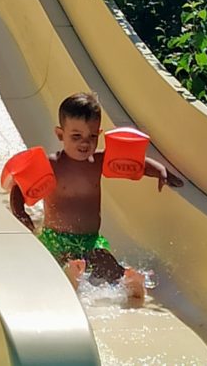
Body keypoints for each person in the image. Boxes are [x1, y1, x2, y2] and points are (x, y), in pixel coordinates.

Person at [10, 92, 184, 298]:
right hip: (57, 238)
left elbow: (136, 162)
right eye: (76, 136)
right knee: (61, 261)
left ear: (99, 134)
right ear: (60, 134)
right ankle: (69, 274)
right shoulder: (52, 165)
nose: (85, 143)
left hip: (90, 240)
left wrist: (160, 171)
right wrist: (20, 211)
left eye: (91, 136)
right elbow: (19, 187)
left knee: (106, 263)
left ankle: (128, 281)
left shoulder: (99, 161)